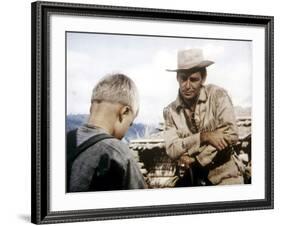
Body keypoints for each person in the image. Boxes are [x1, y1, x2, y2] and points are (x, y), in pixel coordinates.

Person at [163, 48, 244, 186]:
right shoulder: (170, 111)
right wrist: (203, 137)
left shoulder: (218, 96)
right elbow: (171, 148)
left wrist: (196, 159)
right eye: (183, 79)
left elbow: (230, 134)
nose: (187, 85)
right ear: (177, 78)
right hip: (192, 177)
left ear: (203, 78)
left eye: (193, 79)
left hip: (225, 175)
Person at [68, 73, 146, 192]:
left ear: (91, 108)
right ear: (124, 112)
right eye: (130, 123)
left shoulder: (61, 141)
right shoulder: (118, 153)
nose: (127, 130)